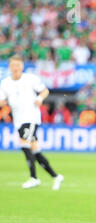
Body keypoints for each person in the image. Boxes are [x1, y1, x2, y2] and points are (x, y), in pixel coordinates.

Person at [0, 55, 64, 190]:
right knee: (35, 151)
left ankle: (34, 178)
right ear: (10, 67)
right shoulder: (5, 83)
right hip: (18, 120)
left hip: (31, 118)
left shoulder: (30, 79)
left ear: (22, 66)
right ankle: (56, 176)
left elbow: (45, 90)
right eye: (13, 66)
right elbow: (2, 100)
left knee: (24, 144)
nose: (15, 68)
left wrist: (40, 98)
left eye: (17, 65)